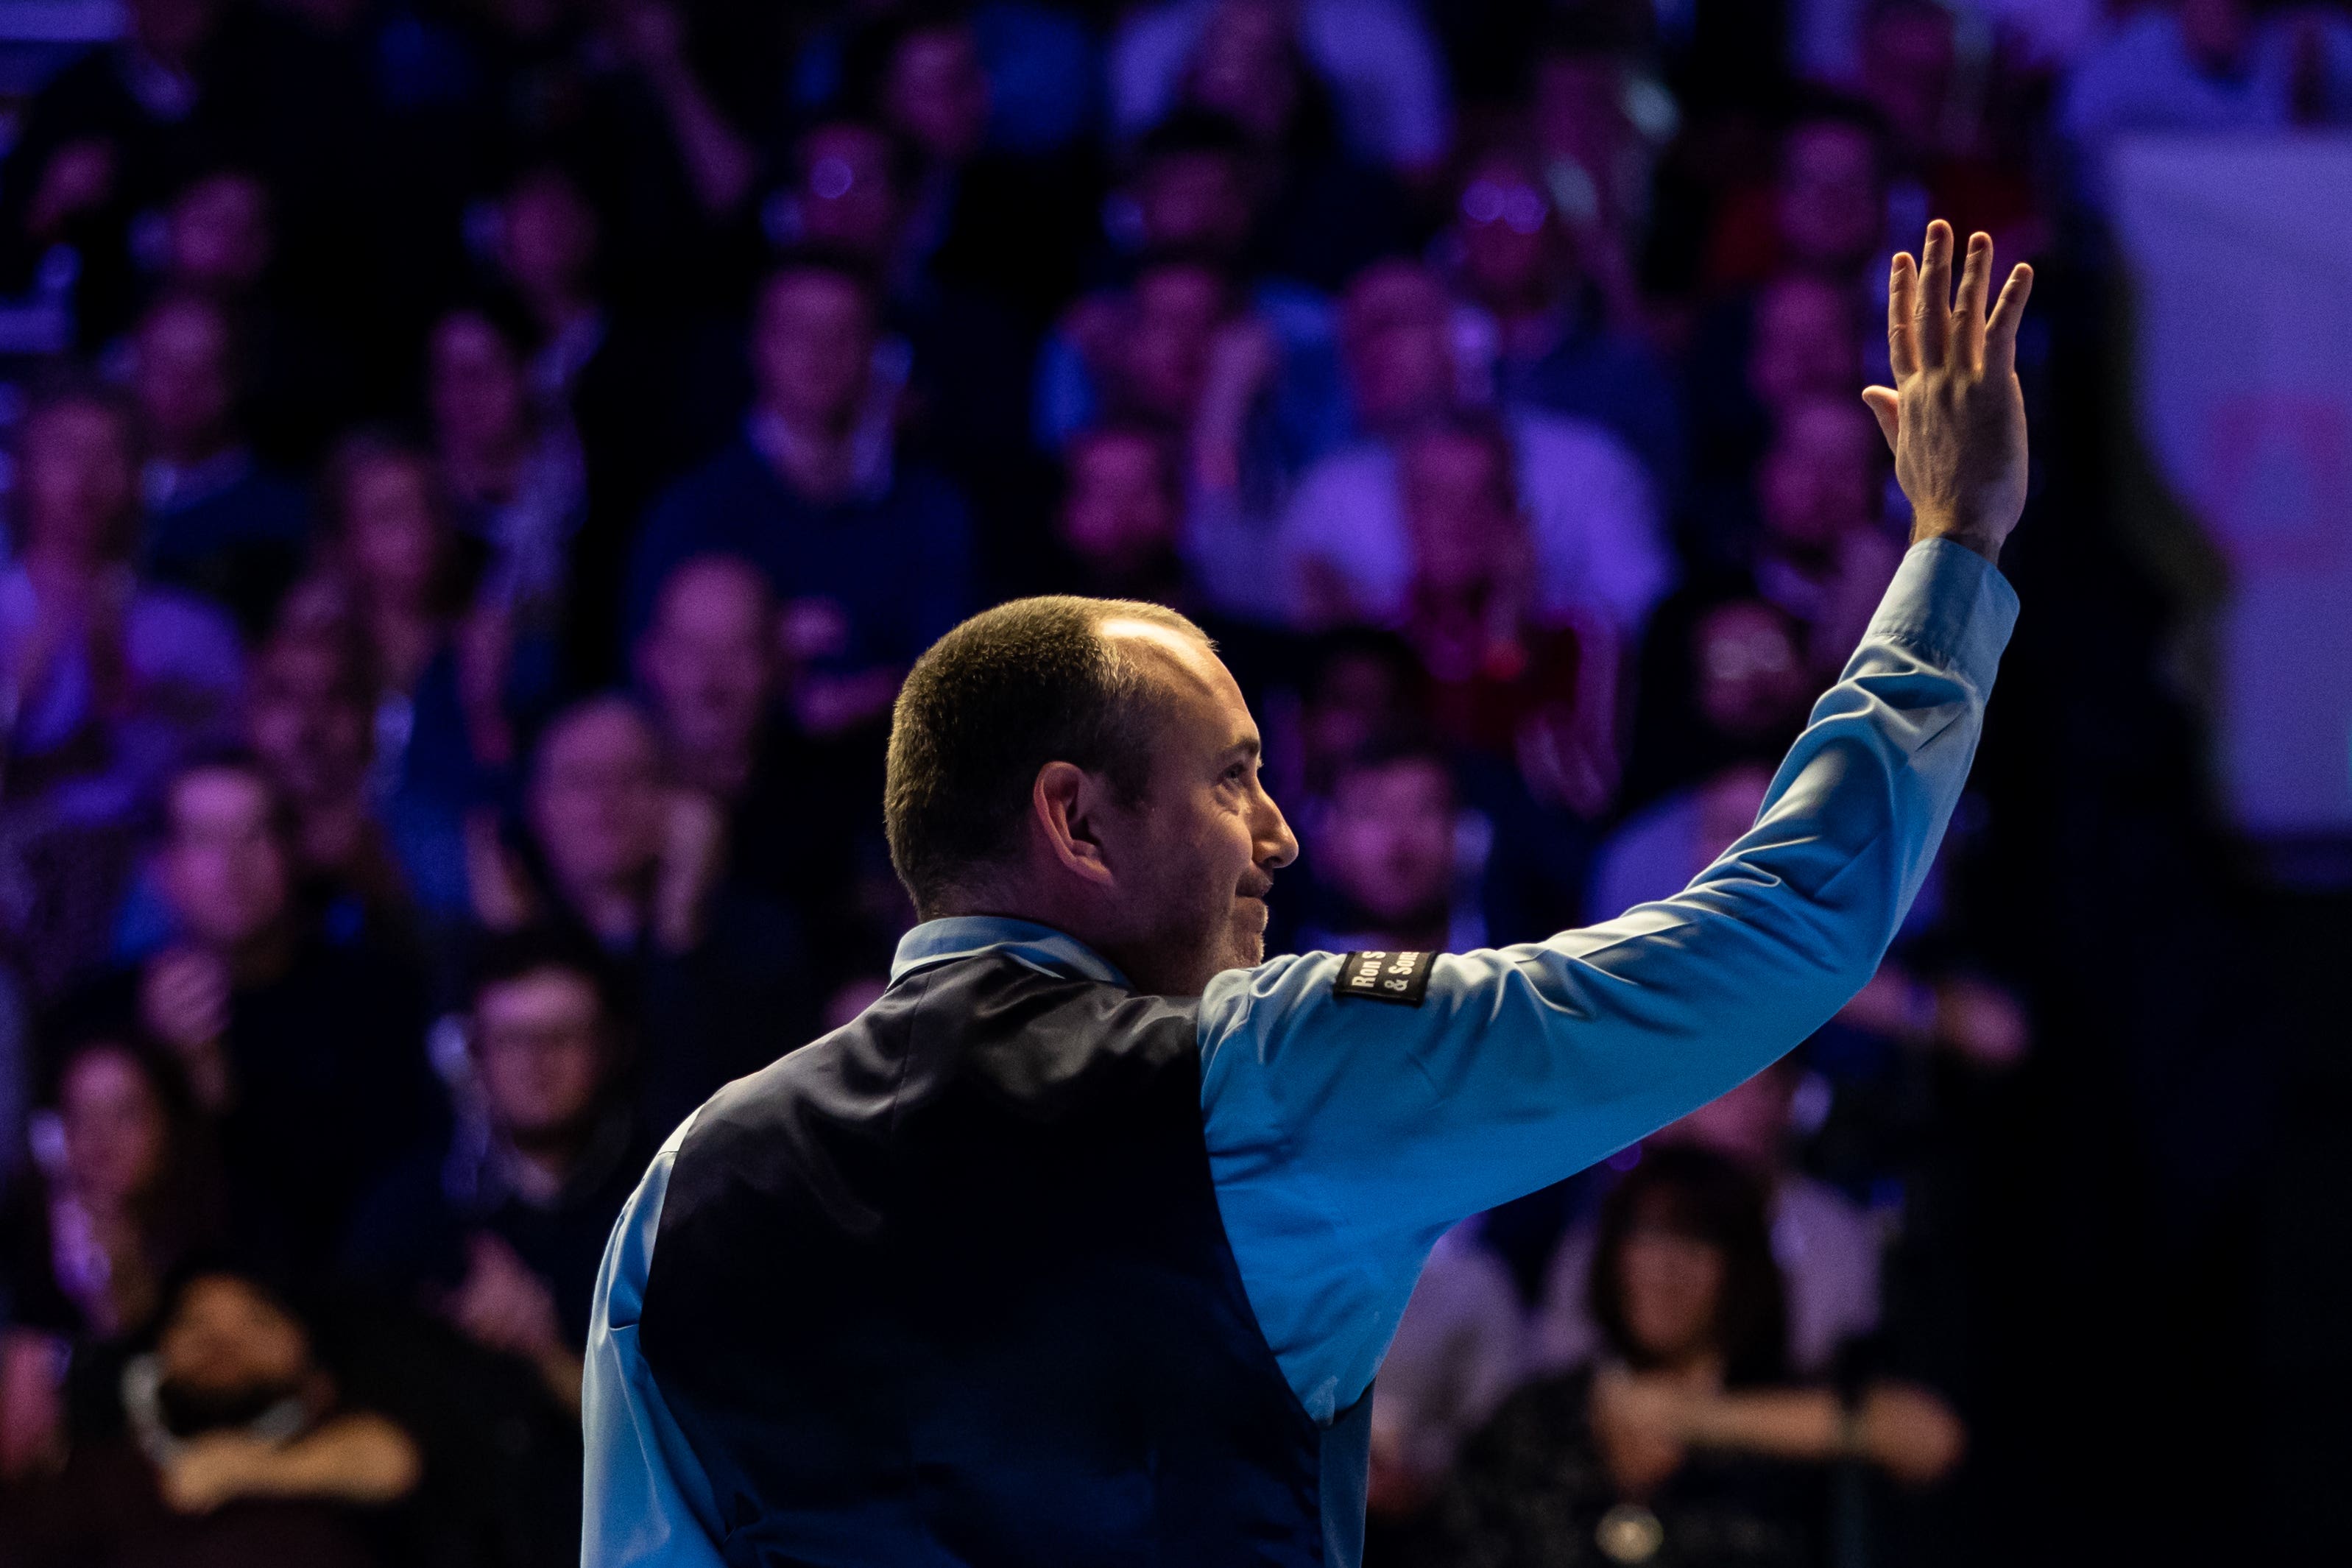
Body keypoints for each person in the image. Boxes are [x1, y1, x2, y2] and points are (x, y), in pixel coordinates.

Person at [581, 220, 2032, 1566]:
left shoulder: (685, 1189)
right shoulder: (1264, 1072)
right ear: (1074, 822)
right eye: (1228, 780)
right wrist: (1950, 556)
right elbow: (1773, 936)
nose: (1280, 838)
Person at [1410, 1148, 1960, 1568]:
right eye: (1646, 1236)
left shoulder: (1787, 1424)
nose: (1664, 1269)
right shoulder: (1534, 1418)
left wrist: (1694, 1418)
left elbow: (1927, 1437)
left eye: (1696, 1243)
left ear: (1740, 1268)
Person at [624, 254, 975, 738]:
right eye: (795, 331)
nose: (818, 351)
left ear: (878, 352)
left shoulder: (932, 509)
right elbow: (649, 683)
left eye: (841, 333)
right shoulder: (692, 510)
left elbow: (957, 680)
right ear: (756, 346)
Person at [130, 752, 441, 1267]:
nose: (233, 865)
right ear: (163, 868)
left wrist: (215, 1087)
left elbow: (369, 1193)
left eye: (255, 835)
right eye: (206, 840)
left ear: (292, 852)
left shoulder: (375, 1001)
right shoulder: (103, 1022)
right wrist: (153, 1069)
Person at [469, 695, 813, 1137]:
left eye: (630, 777)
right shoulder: (496, 933)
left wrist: (679, 933)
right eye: (579, 781)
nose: (605, 803)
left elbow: (711, 1119)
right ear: (536, 805)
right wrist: (514, 950)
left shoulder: (760, 941)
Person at [343, 927, 652, 1416]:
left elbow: (696, 1449)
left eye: (561, 1037)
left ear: (613, 1047)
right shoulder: (410, 1209)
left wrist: (545, 1353)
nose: (535, 1063)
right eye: (510, 1040)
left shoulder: (672, 1202)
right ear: (475, 1053)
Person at [0, 1261, 423, 1568]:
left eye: (255, 1322)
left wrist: (248, 1467)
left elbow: (393, 1462)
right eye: (195, 1323)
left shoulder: (341, 1455)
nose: (221, 1342)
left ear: (308, 1356)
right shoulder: (104, 1474)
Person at [1533, 1063, 1885, 1381]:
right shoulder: (1610, 1224)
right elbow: (1560, 1360)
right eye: (1725, 1086)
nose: (1745, 1111)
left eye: (1761, 1085)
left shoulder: (1835, 1235)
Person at [0, 1031, 226, 1482]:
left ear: (169, 1124)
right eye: (80, 1117)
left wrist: (121, 1296)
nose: (99, 1139)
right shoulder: (31, 1233)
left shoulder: (214, 1245)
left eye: (125, 1115)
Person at [130, 289, 311, 638]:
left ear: (240, 377)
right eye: (165, 365)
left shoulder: (284, 515)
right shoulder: (98, 503)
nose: (182, 387)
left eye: (204, 369)